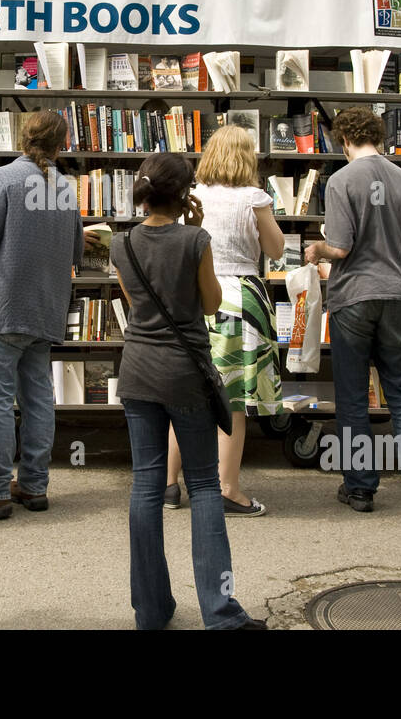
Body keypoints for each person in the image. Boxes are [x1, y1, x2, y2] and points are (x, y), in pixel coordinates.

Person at [110, 153, 265, 629]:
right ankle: (220, 614)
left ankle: (151, 612)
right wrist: (196, 234)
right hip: (185, 375)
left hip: (137, 373)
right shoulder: (195, 239)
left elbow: (136, 303)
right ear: (184, 194)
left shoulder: (121, 244)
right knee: (202, 486)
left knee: (146, 486)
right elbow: (212, 302)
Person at [304, 106, 401, 518]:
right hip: (398, 294)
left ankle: (359, 489)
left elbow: (341, 248)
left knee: (353, 395)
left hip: (353, 296)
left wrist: (318, 250)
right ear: (378, 137)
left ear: (344, 141)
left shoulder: (340, 181)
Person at [0, 111, 86, 519]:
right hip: (47, 309)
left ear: (24, 138)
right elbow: (75, 252)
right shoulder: (65, 188)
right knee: (39, 397)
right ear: (61, 145)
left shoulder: (2, 180)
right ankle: (34, 486)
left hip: (5, 309)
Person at [166, 125, 284, 517]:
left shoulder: (192, 197)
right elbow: (277, 249)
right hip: (242, 300)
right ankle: (227, 487)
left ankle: (168, 485)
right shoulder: (254, 198)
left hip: (196, 298)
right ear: (247, 157)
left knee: (188, 395)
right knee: (233, 399)